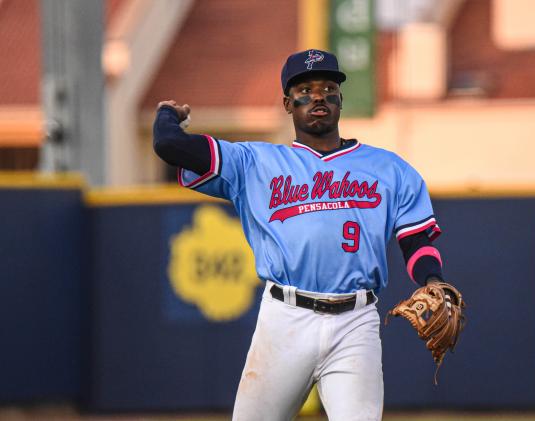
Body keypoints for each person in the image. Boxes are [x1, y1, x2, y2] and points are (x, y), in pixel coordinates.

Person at [153, 49, 446, 421]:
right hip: (285, 318)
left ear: (340, 98)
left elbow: (416, 241)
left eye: (328, 87)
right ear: (288, 103)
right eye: (305, 90)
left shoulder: (390, 169)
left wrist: (433, 280)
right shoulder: (253, 163)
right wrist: (166, 114)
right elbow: (168, 145)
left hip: (356, 323)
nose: (318, 96)